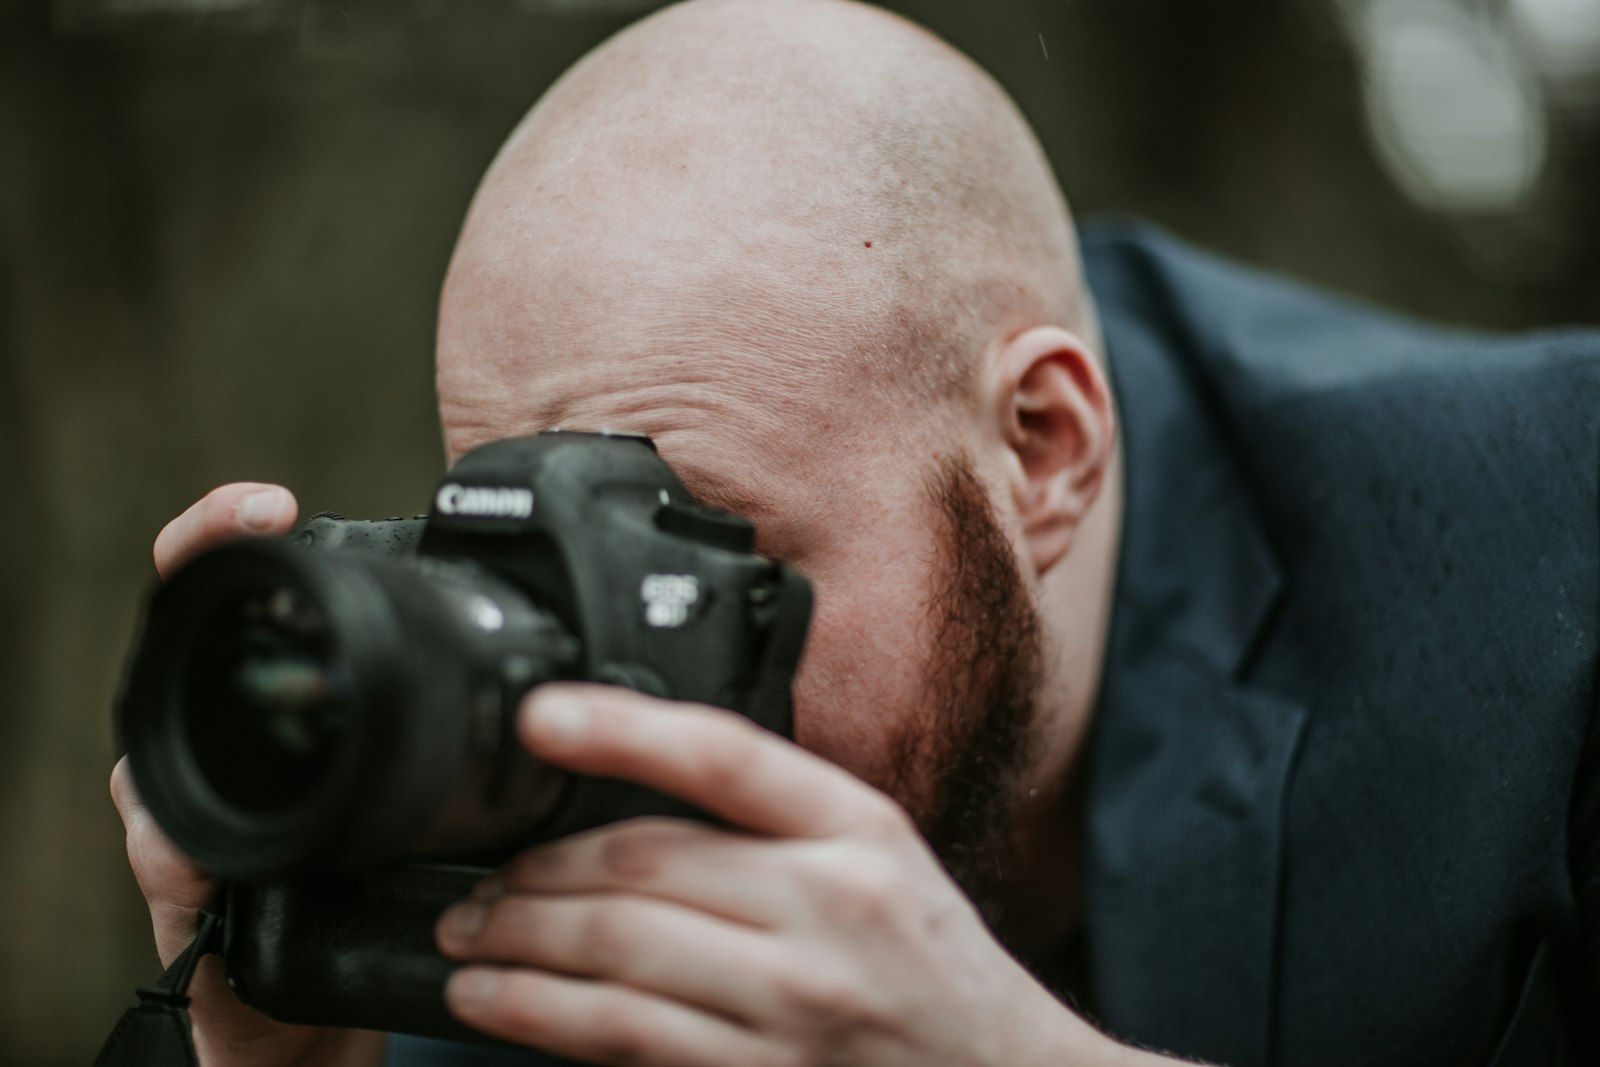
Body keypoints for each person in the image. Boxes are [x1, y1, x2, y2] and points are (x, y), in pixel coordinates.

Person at [109, 0, 1600, 1064]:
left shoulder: (1560, 567)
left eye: (702, 558)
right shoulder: (518, 809)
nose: (605, 695)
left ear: (1044, 451)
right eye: (530, 564)